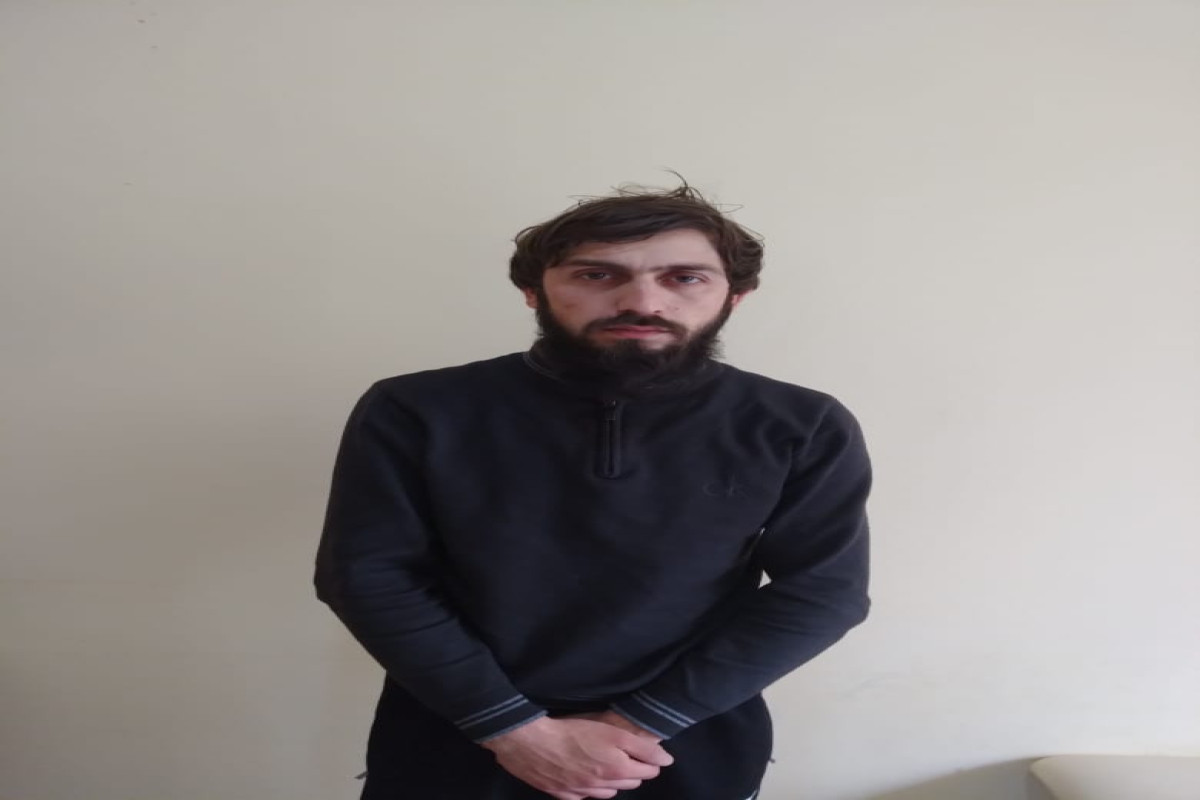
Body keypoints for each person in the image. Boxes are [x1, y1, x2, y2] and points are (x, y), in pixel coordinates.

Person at [315, 181, 872, 800]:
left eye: (684, 278)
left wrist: (637, 725)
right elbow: (368, 576)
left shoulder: (800, 424)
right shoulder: (416, 409)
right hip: (455, 739)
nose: (642, 301)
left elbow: (823, 594)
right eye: (597, 274)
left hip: (682, 745)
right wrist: (513, 731)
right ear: (533, 290)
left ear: (734, 297)